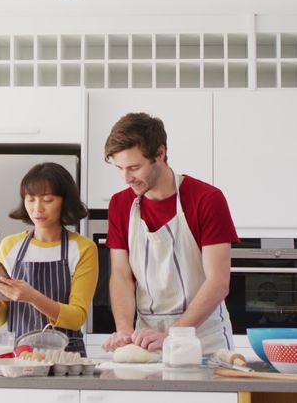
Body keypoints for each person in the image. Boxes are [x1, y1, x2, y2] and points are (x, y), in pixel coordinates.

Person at [101, 112, 238, 354]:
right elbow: (121, 276)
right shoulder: (120, 205)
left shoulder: (206, 199)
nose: (126, 178)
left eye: (134, 167)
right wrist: (123, 330)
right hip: (146, 340)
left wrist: (172, 335)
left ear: (160, 154)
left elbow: (218, 282)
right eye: (120, 168)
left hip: (203, 340)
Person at [0, 162, 98, 356]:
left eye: (47, 200)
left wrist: (32, 297)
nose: (37, 208)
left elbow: (76, 317)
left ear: (65, 201)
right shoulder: (10, 245)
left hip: (66, 359)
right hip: (22, 358)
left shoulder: (83, 248)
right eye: (30, 199)